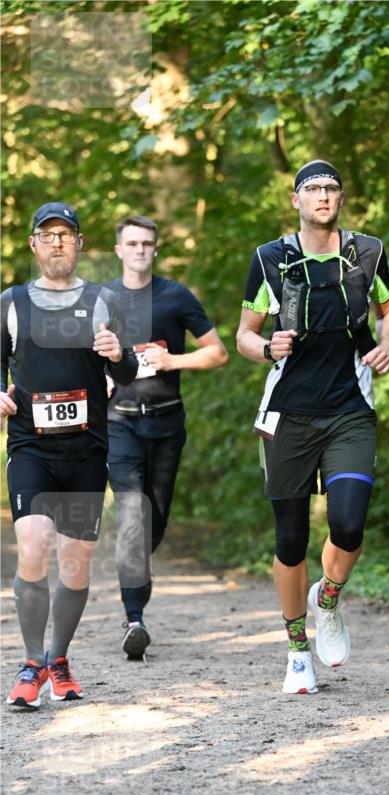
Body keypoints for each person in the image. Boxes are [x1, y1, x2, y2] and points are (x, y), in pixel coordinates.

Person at [236, 160, 389, 694]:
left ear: (342, 198)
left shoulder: (367, 253)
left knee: (349, 525)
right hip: (286, 414)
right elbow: (244, 333)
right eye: (313, 189)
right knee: (290, 540)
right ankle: (296, 649)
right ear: (296, 200)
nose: (323, 196)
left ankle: (327, 599)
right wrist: (265, 346)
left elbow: (388, 312)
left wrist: (388, 343)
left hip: (350, 409)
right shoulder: (270, 259)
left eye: (330, 188)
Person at [1, 202, 138, 709]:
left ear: (79, 244)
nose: (57, 242)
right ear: (33, 245)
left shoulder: (104, 302)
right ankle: (32, 662)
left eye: (66, 234)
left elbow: (127, 374)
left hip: (86, 450)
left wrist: (119, 355)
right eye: (47, 234)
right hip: (31, 447)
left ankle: (59, 659)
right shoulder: (11, 303)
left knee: (75, 566)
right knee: (34, 548)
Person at [106, 215, 228, 658]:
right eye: (132, 243)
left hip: (166, 423)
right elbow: (81, 355)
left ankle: (139, 567)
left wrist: (172, 360)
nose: (140, 250)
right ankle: (134, 618)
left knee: (152, 523)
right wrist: (98, 375)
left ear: (156, 250)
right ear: (118, 250)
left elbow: (218, 353)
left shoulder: (175, 296)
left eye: (147, 244)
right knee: (133, 516)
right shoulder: (101, 300)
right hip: (118, 422)